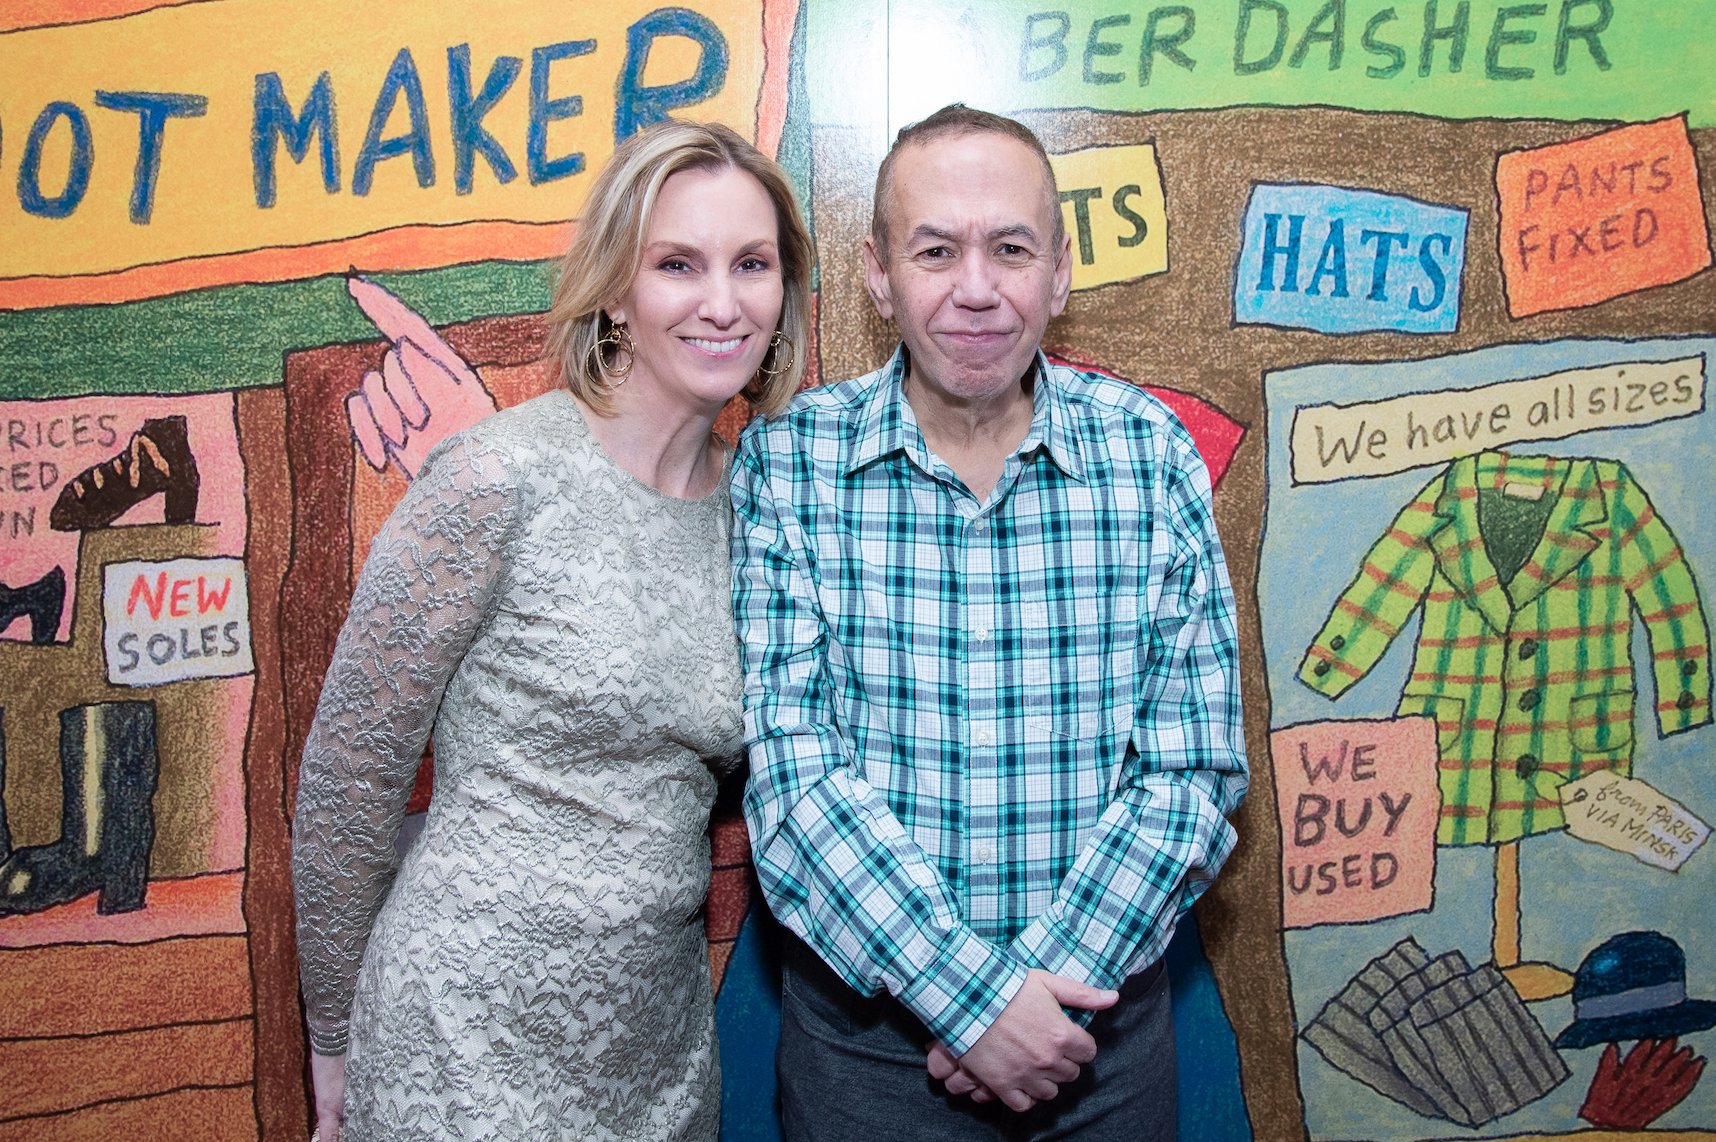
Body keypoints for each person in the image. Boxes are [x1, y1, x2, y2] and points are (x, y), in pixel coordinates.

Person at [731, 104, 1248, 1140]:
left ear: (1058, 272)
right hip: (867, 1058)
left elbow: (1193, 769)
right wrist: (971, 999)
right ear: (878, 273)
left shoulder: (1149, 456)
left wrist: (1039, 1002)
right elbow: (793, 777)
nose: (976, 286)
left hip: (1097, 1039)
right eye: (936, 250)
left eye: (1010, 248)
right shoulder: (789, 465)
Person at [292, 120, 813, 1141]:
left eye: (752, 264)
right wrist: (333, 1039)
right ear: (616, 289)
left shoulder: (763, 513)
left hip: (654, 1061)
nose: (723, 300)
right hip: (458, 1053)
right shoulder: (498, 479)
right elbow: (351, 779)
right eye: (678, 264)